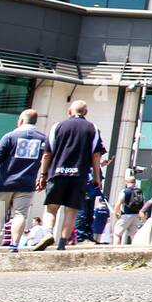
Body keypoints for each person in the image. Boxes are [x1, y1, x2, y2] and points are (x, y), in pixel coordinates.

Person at [36, 100, 106, 251]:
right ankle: (62, 243)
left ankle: (48, 233)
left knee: (51, 208)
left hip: (57, 173)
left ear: (69, 111)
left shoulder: (57, 127)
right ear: (85, 112)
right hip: (79, 175)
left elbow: (47, 153)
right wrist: (96, 177)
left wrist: (43, 175)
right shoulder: (92, 128)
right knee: (72, 210)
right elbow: (96, 155)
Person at [0, 108, 47, 253]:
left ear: (21, 121)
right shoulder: (42, 139)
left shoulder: (10, 136)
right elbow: (47, 159)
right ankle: (14, 245)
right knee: (20, 214)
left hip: (5, 182)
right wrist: (43, 176)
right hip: (27, 184)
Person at [114, 174, 145, 245]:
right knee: (133, 235)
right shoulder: (139, 191)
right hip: (136, 215)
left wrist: (116, 213)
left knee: (117, 234)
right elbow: (143, 203)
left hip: (126, 215)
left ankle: (116, 250)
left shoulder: (125, 191)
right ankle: (134, 251)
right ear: (135, 182)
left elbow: (118, 203)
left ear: (127, 182)